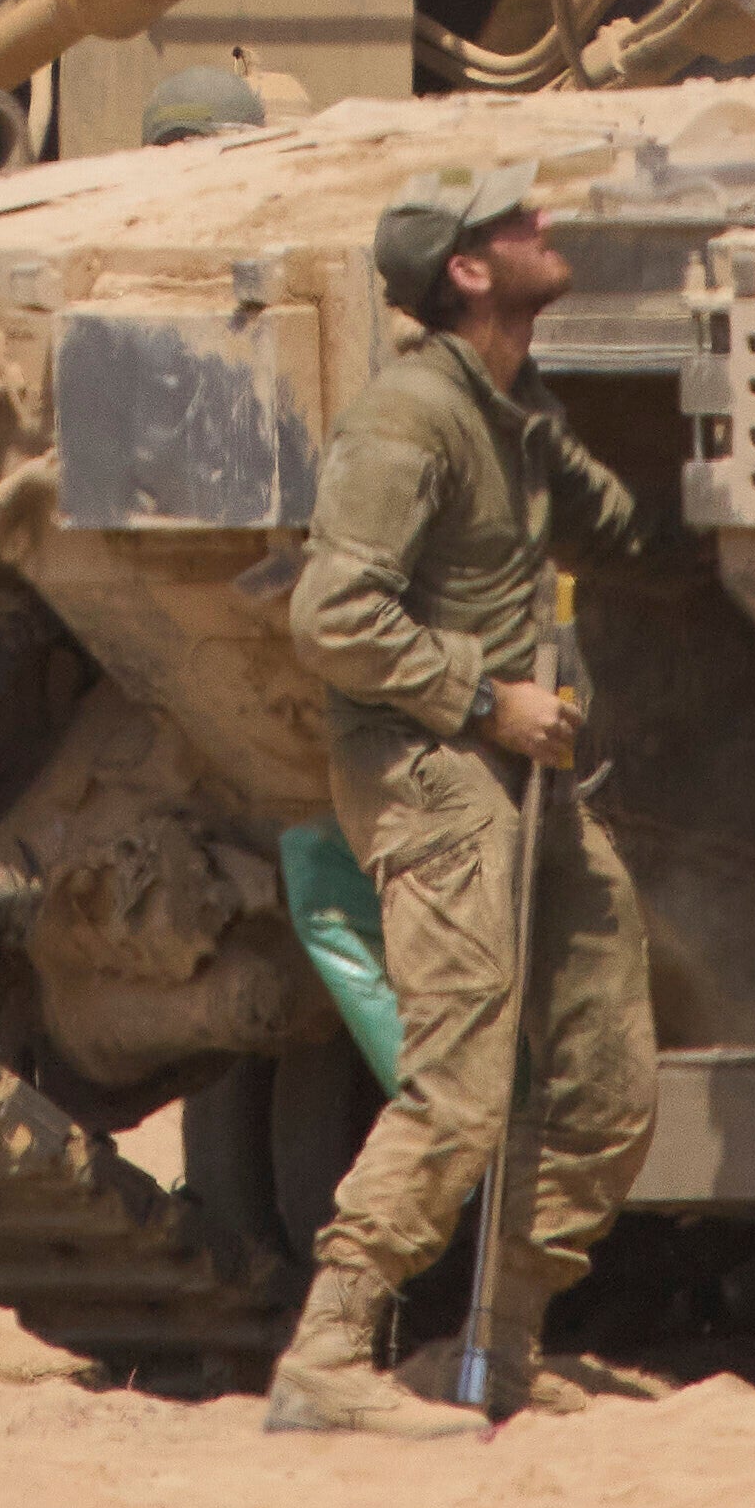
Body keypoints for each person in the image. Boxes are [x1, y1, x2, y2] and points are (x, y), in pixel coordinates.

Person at [263, 182, 657, 1437]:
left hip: (519, 770)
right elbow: (331, 618)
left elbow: (615, 532)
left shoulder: (507, 409)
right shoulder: (409, 415)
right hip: (430, 768)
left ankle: (493, 1344)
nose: (546, 222)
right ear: (469, 276)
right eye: (515, 223)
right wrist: (487, 702)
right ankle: (327, 1355)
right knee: (463, 1080)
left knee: (605, 1072)